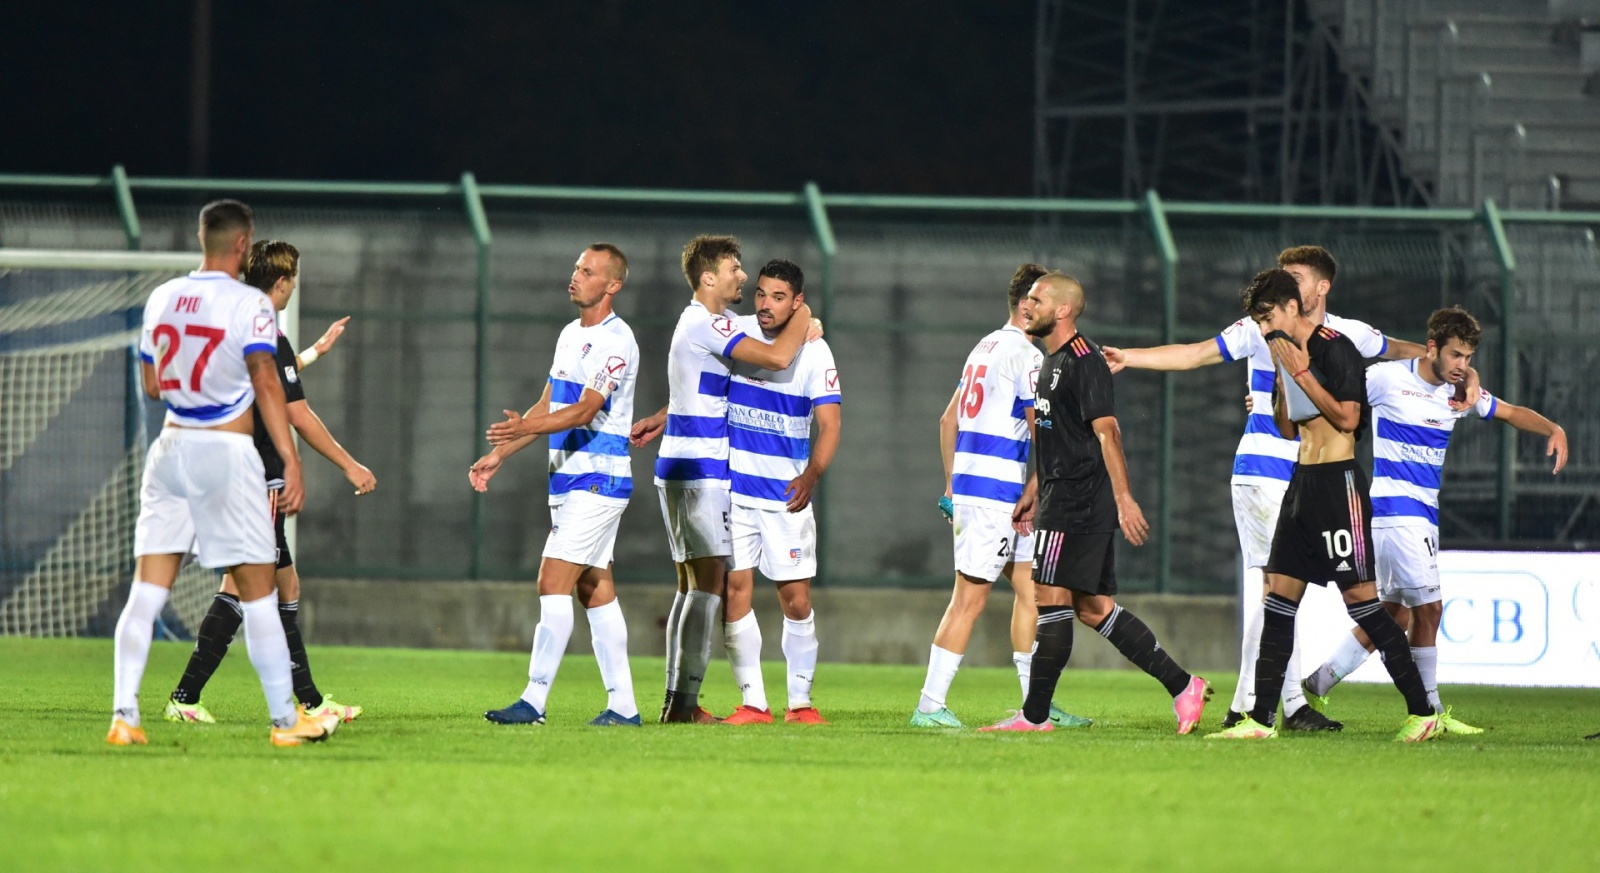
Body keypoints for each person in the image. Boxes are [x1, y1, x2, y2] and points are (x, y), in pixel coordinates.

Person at [1103, 245, 1437, 731]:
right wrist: (1131, 357)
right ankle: (1259, 710)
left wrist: (1446, 372)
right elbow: (1196, 354)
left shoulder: (1344, 338)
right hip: (1266, 473)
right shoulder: (1261, 331)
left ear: (1319, 288)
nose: (1286, 285)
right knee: (1275, 593)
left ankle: (1283, 706)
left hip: (1324, 479)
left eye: (1296, 277)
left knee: (1329, 599)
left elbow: (1394, 362)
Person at [110, 200, 335, 747]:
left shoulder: (163, 297)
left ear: (200, 237)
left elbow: (151, 385)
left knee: (147, 590)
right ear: (243, 244)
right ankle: (288, 722)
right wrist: (291, 458)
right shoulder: (249, 304)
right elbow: (265, 381)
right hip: (227, 457)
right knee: (258, 591)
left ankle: (124, 718)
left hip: (171, 448)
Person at [1301, 306, 1567, 731]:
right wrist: (1283, 405)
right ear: (1432, 348)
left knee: (1393, 615)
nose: (1463, 365)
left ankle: (1319, 679)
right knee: (1430, 610)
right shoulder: (1388, 378)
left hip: (1421, 514)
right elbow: (1338, 396)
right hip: (1394, 511)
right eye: (1456, 355)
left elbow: (1512, 412)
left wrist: (1554, 428)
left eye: (1468, 358)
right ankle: (1430, 714)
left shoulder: (1458, 393)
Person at [1207, 269, 1441, 741]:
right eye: (1259, 321)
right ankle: (1258, 721)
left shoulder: (1336, 348)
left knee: (1364, 606)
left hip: (1339, 488)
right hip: (1302, 482)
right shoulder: (1283, 352)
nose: (1265, 328)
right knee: (1279, 599)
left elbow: (1349, 419)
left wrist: (1299, 373)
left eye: (1269, 317)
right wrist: (1280, 380)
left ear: (1292, 308)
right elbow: (1290, 429)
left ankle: (1423, 711)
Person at [981, 272, 1212, 734]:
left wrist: (1124, 499)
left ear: (1063, 310)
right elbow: (1057, 437)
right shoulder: (1051, 361)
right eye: (1026, 299)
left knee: (1050, 599)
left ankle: (1034, 717)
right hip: (1059, 494)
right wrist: (1034, 489)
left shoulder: (1084, 361)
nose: (1027, 306)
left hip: (1079, 499)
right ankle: (1183, 685)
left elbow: (1109, 431)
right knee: (1092, 608)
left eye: (1037, 299)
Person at [163, 240, 375, 726]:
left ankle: (308, 701)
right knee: (252, 588)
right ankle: (194, 698)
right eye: (293, 279)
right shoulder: (265, 333)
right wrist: (349, 464)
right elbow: (296, 413)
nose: (294, 287)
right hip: (253, 480)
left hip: (220, 473)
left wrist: (316, 351)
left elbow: (268, 380)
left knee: (277, 584)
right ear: (281, 282)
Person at [629, 235, 812, 723]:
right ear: (708, 277)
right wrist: (806, 316)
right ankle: (684, 704)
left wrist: (663, 415)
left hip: (681, 462)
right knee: (708, 585)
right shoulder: (706, 323)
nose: (743, 276)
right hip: (700, 468)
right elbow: (777, 357)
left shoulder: (711, 323)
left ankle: (676, 700)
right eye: (734, 268)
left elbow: (709, 385)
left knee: (691, 587)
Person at [911, 263, 1090, 730]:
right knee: (969, 598)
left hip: (987, 491)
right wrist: (1041, 486)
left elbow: (946, 420)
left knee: (1032, 592)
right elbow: (1043, 430)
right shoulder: (1026, 357)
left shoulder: (984, 346)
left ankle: (1036, 705)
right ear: (1028, 304)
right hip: (998, 497)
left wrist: (953, 484)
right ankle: (929, 705)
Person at [473, 244, 643, 726]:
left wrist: (523, 430)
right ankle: (624, 707)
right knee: (595, 588)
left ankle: (534, 701)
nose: (575, 276)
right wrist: (499, 454)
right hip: (568, 481)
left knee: (552, 579)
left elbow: (587, 410)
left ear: (612, 285)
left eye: (588, 272)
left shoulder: (617, 340)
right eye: (575, 268)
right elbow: (548, 404)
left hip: (600, 478)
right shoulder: (571, 334)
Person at [717, 259, 840, 725]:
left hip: (784, 495)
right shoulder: (736, 332)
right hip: (735, 491)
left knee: (796, 600)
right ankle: (753, 703)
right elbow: (704, 388)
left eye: (779, 297)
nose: (766, 305)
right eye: (762, 294)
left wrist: (811, 475)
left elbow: (829, 424)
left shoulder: (815, 352)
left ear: (798, 303)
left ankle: (801, 704)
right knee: (735, 592)